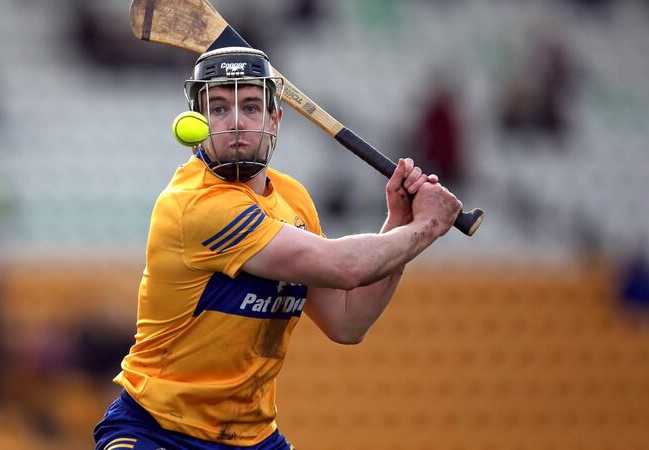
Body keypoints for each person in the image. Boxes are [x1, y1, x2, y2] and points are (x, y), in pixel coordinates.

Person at [93, 47, 461, 450]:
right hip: (158, 429)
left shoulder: (293, 199)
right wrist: (427, 227)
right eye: (219, 108)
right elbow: (346, 267)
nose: (236, 122)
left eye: (251, 107)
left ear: (275, 119)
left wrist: (400, 225)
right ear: (198, 122)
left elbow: (347, 322)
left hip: (252, 438)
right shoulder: (196, 204)